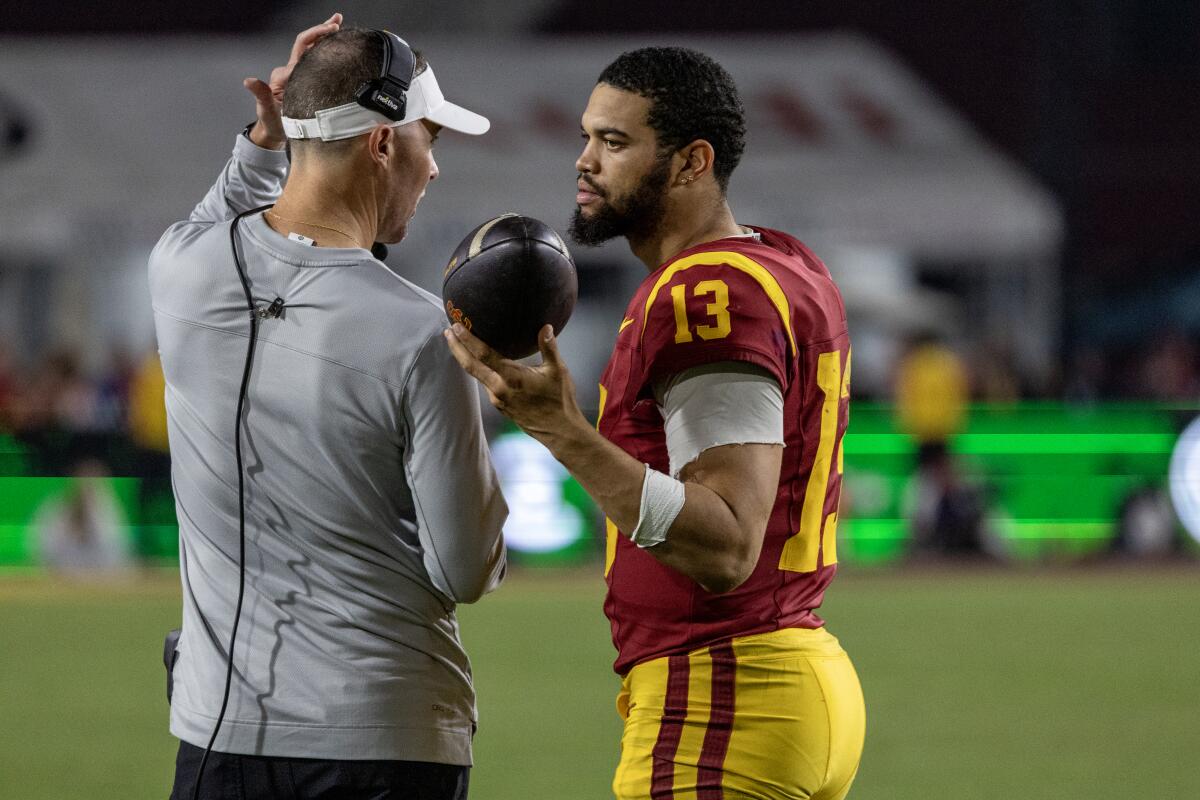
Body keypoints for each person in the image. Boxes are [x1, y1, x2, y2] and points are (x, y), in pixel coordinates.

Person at [447, 48, 865, 798]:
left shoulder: (706, 292)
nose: (584, 162)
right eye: (587, 137)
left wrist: (564, 432)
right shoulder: (781, 262)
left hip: (725, 693)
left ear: (690, 162)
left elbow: (729, 542)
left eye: (614, 142)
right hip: (781, 678)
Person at [149, 15, 506, 800]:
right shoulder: (422, 333)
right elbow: (467, 567)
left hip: (217, 734)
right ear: (382, 144)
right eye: (430, 141)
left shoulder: (181, 269)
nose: (434, 169)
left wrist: (268, 131)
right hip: (391, 731)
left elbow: (229, 208)